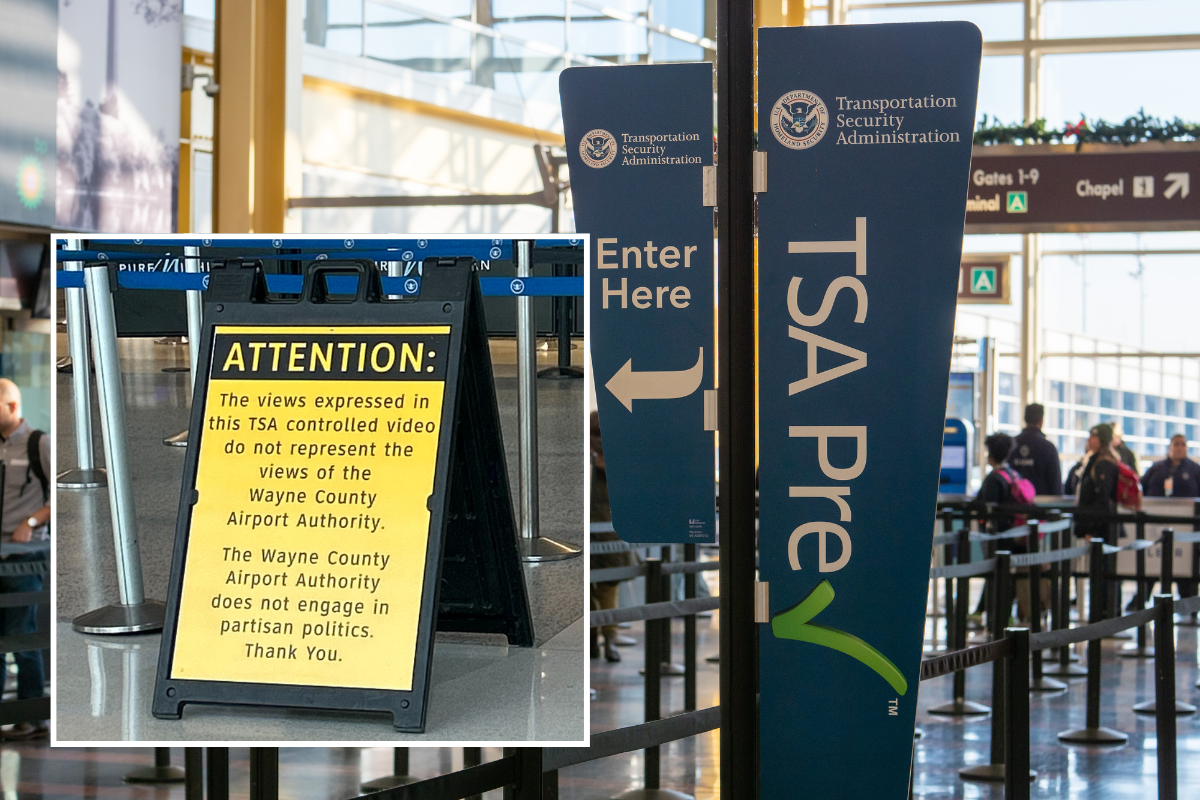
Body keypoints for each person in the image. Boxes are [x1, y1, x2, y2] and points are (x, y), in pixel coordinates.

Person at [0, 379, 50, 740]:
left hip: (24, 557)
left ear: (13, 407)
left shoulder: (38, 444)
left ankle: (32, 716)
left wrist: (30, 523)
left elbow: (59, 496)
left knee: (21, 635)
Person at [589, 411, 637, 663]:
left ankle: (592, 641)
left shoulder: (587, 455)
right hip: (612, 533)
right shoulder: (621, 456)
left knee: (589, 590)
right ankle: (609, 639)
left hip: (591, 531)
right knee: (608, 590)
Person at [1075, 423, 1121, 544]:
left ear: (1102, 440)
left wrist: (1092, 530)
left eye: (1093, 436)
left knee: (1098, 556)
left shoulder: (1103, 464)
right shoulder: (1096, 460)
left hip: (1099, 532)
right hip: (1097, 527)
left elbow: (1103, 499)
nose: (1089, 440)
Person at [1009, 403, 1063, 496]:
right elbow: (1055, 484)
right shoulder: (1048, 447)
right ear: (1041, 420)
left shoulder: (1011, 444)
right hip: (1040, 502)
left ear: (1024, 419)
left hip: (1013, 502)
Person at [1142, 433, 1200, 498]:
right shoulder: (1156, 468)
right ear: (1169, 447)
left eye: (1183, 445)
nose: (1180, 448)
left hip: (1186, 504)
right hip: (1157, 503)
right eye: (1176, 444)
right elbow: (1142, 487)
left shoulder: (1195, 469)